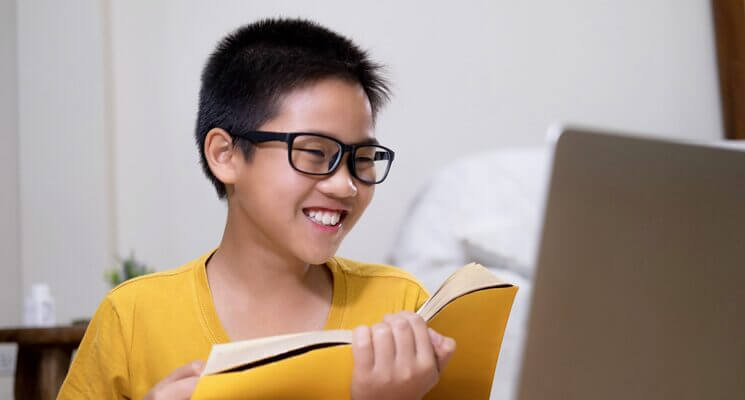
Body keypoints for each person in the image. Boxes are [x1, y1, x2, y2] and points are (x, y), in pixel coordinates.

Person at [58, 18, 455, 399]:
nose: (345, 184)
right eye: (316, 153)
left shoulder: (401, 310)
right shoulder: (132, 318)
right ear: (225, 155)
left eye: (363, 158)